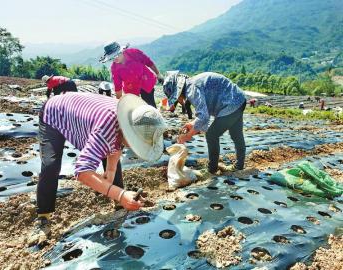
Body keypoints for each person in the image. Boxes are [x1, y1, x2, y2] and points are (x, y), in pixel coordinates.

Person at [29, 92, 167, 244]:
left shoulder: (127, 121)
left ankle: (120, 204)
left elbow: (117, 145)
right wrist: (121, 194)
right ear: (127, 129)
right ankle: (43, 217)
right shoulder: (105, 131)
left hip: (86, 115)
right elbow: (82, 172)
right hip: (54, 114)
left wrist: (110, 173)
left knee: (110, 153)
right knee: (51, 165)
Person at [163, 72, 246, 174]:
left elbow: (204, 116)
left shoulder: (191, 90)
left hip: (231, 104)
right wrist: (192, 123)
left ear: (178, 91)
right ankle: (239, 166)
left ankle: (212, 170)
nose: (178, 100)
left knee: (212, 135)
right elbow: (204, 112)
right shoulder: (192, 84)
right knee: (236, 135)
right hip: (239, 99)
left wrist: (188, 135)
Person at [99, 41, 164, 107]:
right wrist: (119, 104)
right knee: (135, 108)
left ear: (121, 51)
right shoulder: (114, 69)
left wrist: (158, 74)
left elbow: (149, 62)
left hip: (146, 82)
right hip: (131, 89)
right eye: (112, 58)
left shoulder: (134, 53)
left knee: (150, 106)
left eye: (116, 55)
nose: (115, 59)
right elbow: (118, 88)